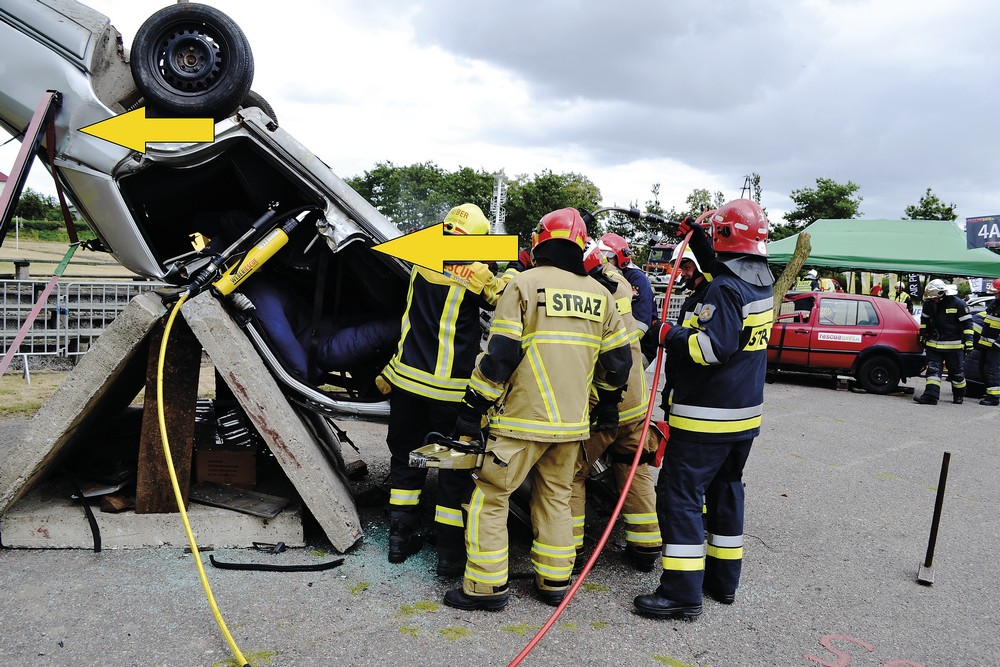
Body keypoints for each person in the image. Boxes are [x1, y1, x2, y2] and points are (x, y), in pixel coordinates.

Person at [442, 208, 633, 611]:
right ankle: (554, 581)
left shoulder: (523, 285)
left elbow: (500, 356)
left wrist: (472, 405)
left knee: (490, 496)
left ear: (539, 242)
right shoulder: (601, 295)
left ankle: (485, 587)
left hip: (519, 422)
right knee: (556, 497)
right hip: (572, 426)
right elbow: (618, 364)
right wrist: (608, 407)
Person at [634, 199, 774, 620]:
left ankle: (680, 593)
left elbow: (712, 348)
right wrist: (699, 236)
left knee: (679, 497)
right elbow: (723, 266)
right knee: (726, 492)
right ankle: (722, 582)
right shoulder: (758, 283)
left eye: (715, 232)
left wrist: (668, 334)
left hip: (705, 420)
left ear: (725, 235)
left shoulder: (723, 290)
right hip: (743, 419)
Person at [381, 203, 515, 575]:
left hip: (407, 380)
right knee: (452, 468)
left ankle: (399, 538)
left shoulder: (421, 258)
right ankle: (448, 554)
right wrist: (514, 270)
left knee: (407, 457)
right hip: (451, 390)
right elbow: (505, 299)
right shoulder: (479, 272)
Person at [569, 239, 661, 573]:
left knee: (572, 473)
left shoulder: (585, 294)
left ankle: (570, 549)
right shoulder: (619, 282)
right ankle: (646, 546)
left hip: (605, 402)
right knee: (632, 465)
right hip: (637, 400)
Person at [238, 275, 399, 384]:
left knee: (385, 329)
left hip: (322, 341)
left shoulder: (258, 290)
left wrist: (311, 374)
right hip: (322, 339)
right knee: (390, 327)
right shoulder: (261, 289)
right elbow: (281, 338)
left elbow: (281, 338)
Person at [599, 233, 656, 364]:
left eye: (607, 258)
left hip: (639, 348)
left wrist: (614, 345)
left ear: (620, 258)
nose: (603, 262)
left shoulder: (636, 279)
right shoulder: (608, 277)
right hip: (615, 344)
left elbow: (641, 324)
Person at [913, 279, 973, 405]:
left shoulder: (958, 304)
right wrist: (923, 336)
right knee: (933, 372)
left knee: (956, 373)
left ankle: (959, 395)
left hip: (954, 346)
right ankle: (930, 396)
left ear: (942, 293)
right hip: (934, 345)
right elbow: (924, 322)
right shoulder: (929, 304)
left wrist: (969, 342)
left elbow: (967, 325)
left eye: (934, 297)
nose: (932, 300)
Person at [975, 278, 1000, 406]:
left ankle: (994, 397)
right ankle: (989, 392)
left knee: (992, 370)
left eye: (997, 292)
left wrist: (997, 344)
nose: (995, 294)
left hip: (996, 346)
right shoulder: (994, 303)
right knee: (983, 368)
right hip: (986, 344)